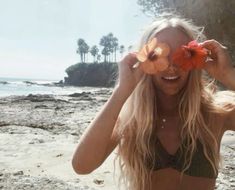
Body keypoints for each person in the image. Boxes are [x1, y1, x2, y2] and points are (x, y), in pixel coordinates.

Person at [72, 16, 235, 190]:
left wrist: (229, 75)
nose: (171, 66)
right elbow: (82, 165)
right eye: (160, 54)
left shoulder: (215, 112)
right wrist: (121, 92)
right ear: (145, 58)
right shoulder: (131, 119)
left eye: (182, 54)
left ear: (195, 58)